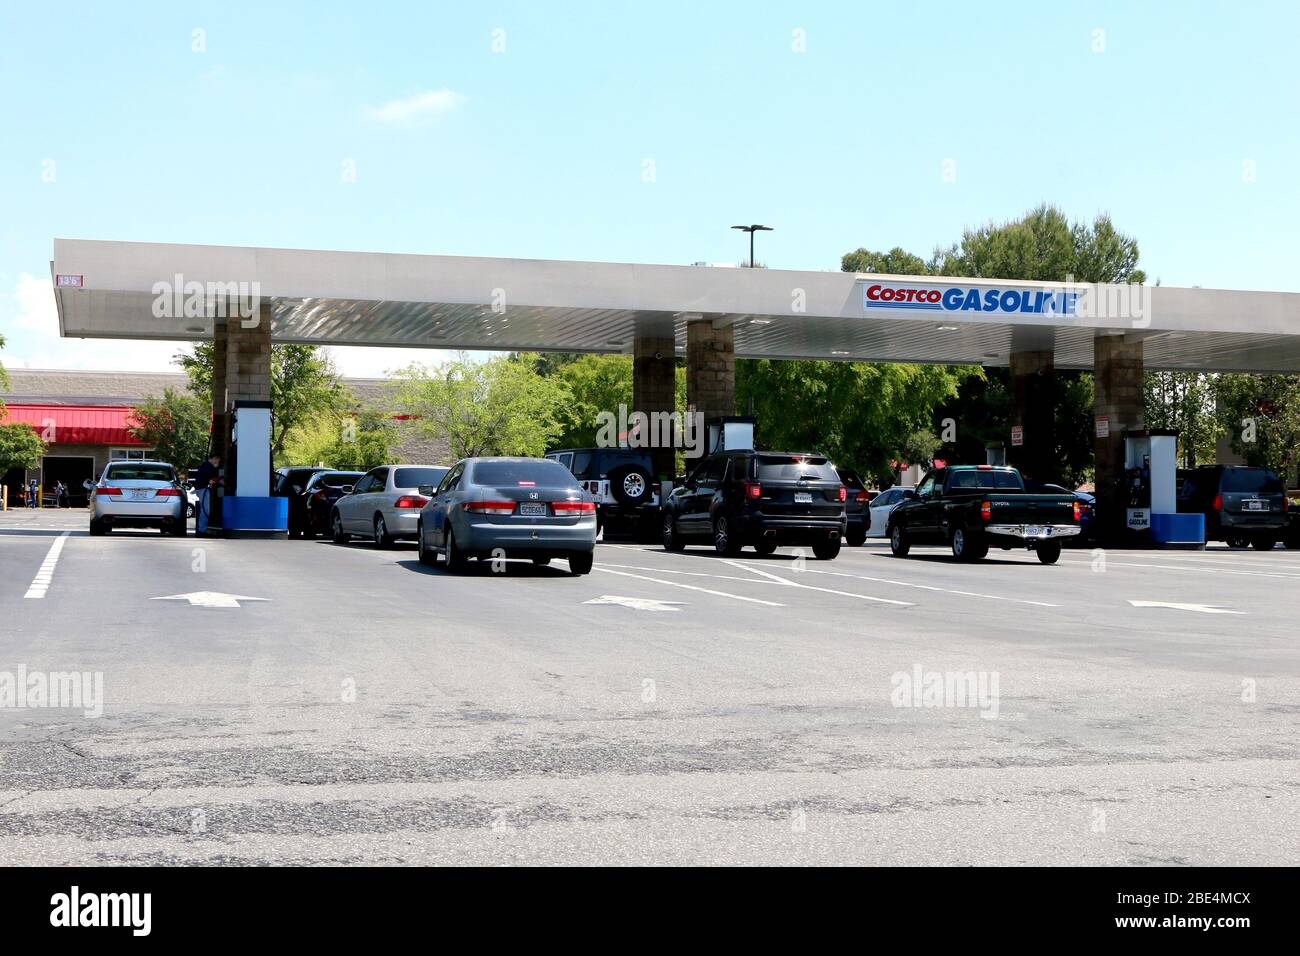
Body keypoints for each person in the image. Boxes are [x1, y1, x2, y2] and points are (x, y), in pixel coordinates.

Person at [193, 452, 221, 535]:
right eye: (217, 460)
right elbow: (211, 479)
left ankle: (201, 528)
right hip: (203, 489)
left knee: (204, 509)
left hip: (201, 489)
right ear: (214, 458)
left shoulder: (204, 466)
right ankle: (202, 529)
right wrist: (219, 481)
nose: (217, 462)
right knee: (205, 510)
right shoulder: (208, 467)